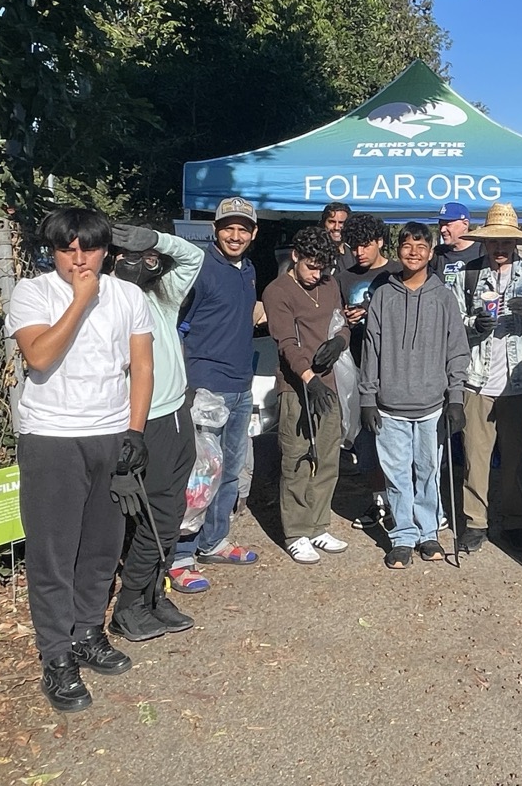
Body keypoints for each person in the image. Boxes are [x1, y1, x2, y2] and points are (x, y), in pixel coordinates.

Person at [4, 208, 154, 711]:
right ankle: (56, 653)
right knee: (53, 552)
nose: (78, 259)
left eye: (88, 249)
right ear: (53, 252)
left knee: (101, 547)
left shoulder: (129, 296)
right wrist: (81, 301)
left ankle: (88, 631)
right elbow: (39, 356)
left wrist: (135, 430)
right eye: (67, 250)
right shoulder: (33, 293)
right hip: (52, 438)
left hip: (109, 433)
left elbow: (142, 365)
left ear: (106, 251)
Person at [107, 225, 204, 643]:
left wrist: (154, 239)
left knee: (172, 513)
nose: (138, 264)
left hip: (178, 413)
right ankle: (129, 604)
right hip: (146, 423)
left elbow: (193, 257)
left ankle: (154, 593)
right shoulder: (106, 304)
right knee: (156, 516)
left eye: (144, 258)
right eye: (126, 257)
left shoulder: (160, 297)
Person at [359, 223, 470, 569]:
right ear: (398, 250)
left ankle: (428, 532)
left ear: (431, 252)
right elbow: (371, 350)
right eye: (407, 246)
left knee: (428, 471)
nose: (414, 252)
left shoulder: (444, 297)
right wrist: (367, 398)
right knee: (396, 475)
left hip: (432, 405)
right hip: (389, 405)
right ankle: (403, 536)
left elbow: (457, 350)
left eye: (421, 247)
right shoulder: (383, 296)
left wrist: (456, 397)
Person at [170, 197, 264, 593]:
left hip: (241, 384)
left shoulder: (249, 270)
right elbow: (176, 323)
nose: (235, 235)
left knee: (229, 470)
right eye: (229, 228)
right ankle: (180, 555)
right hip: (205, 385)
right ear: (215, 230)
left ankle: (213, 542)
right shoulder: (200, 268)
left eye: (243, 229)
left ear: (253, 233)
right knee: (198, 474)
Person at [454, 203, 522, 553]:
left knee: (513, 460)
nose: (500, 248)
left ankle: (514, 522)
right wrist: (473, 324)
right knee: (475, 457)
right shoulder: (467, 274)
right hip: (476, 380)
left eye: (506, 241)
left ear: (516, 242)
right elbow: (453, 321)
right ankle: (475, 523)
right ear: (484, 242)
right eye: (494, 241)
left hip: (518, 381)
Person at [261, 226, 352, 564]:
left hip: (330, 383)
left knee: (328, 455)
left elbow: (342, 323)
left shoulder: (329, 284)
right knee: (297, 457)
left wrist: (339, 342)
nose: (317, 275)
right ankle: (296, 531)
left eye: (322, 268)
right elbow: (286, 343)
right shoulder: (277, 291)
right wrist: (309, 379)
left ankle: (318, 524)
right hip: (297, 385)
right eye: (311, 267)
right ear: (295, 256)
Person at [338, 212, 401, 530]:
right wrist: (343, 321)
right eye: (353, 246)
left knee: (399, 442)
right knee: (366, 443)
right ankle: (379, 501)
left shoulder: (398, 272)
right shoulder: (344, 277)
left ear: (379, 241)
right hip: (358, 368)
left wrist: (371, 310)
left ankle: (407, 504)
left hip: (396, 371)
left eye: (364, 245)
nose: (358, 252)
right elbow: (333, 321)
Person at [432, 201, 483, 290]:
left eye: (448, 225)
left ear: (465, 224)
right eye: (441, 224)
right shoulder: (437, 254)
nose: (442, 229)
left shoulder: (483, 251)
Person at [321, 201, 356, 278]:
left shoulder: (355, 252)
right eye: (332, 222)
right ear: (324, 223)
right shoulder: (316, 251)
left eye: (341, 222)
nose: (336, 227)